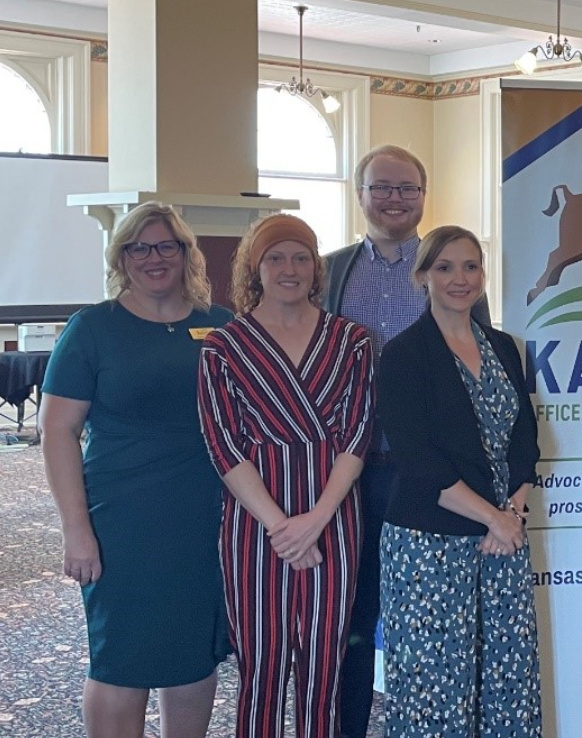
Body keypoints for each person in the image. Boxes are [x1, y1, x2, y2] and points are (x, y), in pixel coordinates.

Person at [39, 202, 232, 738]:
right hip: (122, 521)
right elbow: (56, 432)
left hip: (204, 519)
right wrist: (76, 531)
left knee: (195, 654)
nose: (154, 257)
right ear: (121, 257)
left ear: (186, 254)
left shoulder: (219, 325)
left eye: (166, 245)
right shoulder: (93, 328)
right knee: (121, 658)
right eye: (139, 247)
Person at [322, 144, 491, 738]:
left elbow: (482, 367)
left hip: (437, 478)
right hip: (353, 470)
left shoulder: (454, 266)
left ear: (423, 196)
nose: (395, 198)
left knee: (429, 619)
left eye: (407, 188)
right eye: (381, 187)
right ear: (360, 193)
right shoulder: (330, 270)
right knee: (353, 615)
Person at [198, 214, 375, 737]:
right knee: (263, 666)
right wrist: (284, 527)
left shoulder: (352, 342)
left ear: (316, 267)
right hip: (256, 525)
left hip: (335, 518)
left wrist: (315, 521)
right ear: (256, 267)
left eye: (301, 257)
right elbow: (223, 445)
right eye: (276, 257)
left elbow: (358, 435)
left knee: (326, 665)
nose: (289, 268)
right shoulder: (222, 346)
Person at [375, 225, 541, 735]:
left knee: (507, 682)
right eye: (444, 267)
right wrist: (494, 518)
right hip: (428, 545)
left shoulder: (506, 348)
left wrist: (509, 516)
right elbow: (417, 459)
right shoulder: (403, 354)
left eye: (470, 266)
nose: (459, 278)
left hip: (501, 543)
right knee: (436, 688)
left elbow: (525, 442)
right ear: (422, 275)